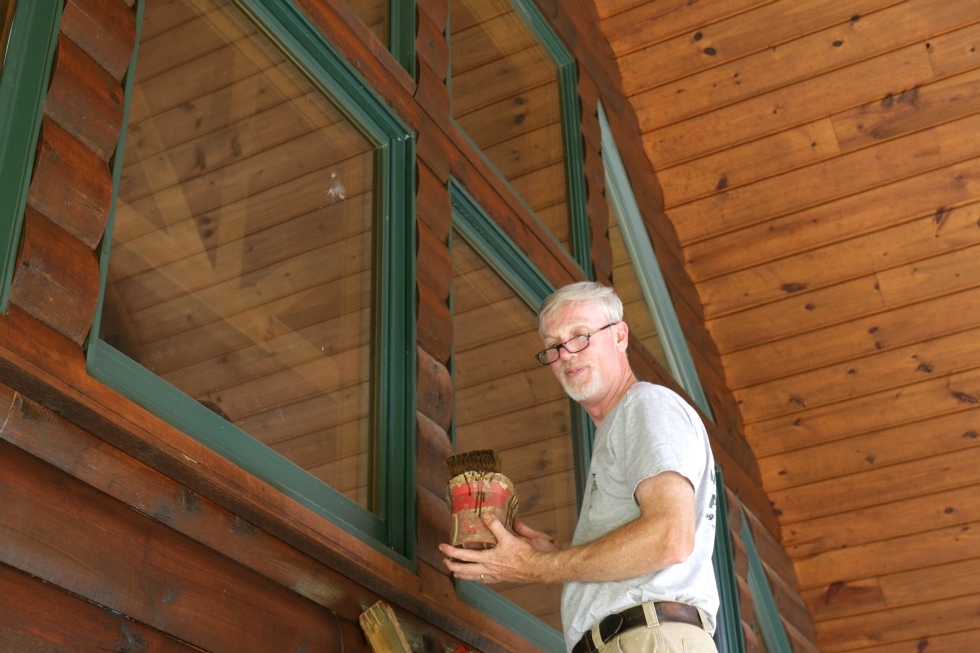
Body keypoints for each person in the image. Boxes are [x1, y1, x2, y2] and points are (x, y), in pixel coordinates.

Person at [439, 281, 719, 653]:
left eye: (580, 336)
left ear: (620, 336)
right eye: (553, 346)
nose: (566, 353)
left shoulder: (644, 406)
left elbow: (670, 537)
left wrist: (534, 567)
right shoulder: (622, 424)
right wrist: (548, 557)